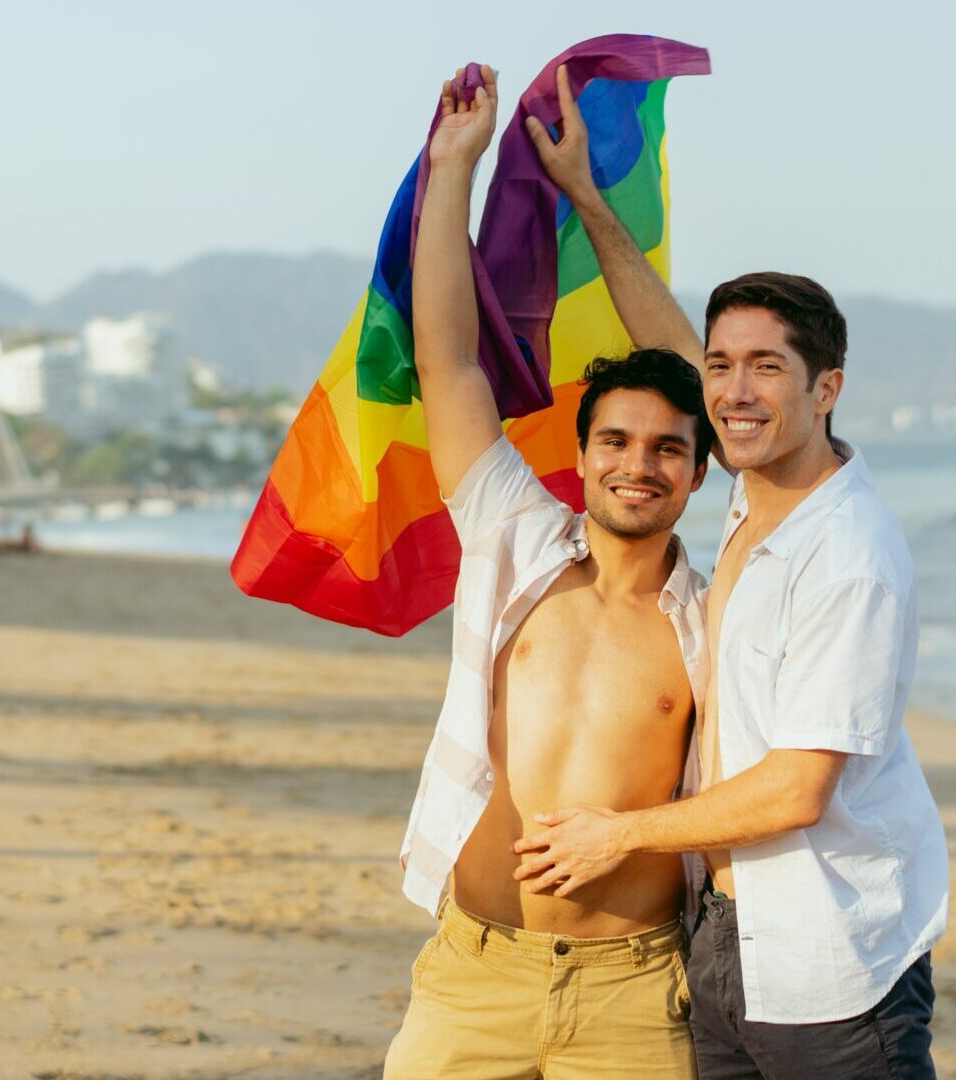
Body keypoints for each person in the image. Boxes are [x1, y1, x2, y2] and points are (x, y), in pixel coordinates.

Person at [512, 267, 950, 1078]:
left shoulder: (846, 557)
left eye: (768, 366)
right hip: (724, 939)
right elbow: (675, 348)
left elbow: (797, 789)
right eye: (721, 365)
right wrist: (583, 193)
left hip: (831, 965)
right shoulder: (762, 477)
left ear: (828, 389)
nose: (736, 392)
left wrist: (619, 834)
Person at [381, 66, 718, 1079]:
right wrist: (454, 165)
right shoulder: (515, 538)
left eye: (668, 448)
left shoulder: (719, 608)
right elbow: (452, 363)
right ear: (583, 456)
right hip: (474, 973)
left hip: (631, 991)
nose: (638, 464)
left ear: (702, 472)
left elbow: (706, 389)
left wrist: (585, 196)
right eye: (615, 441)